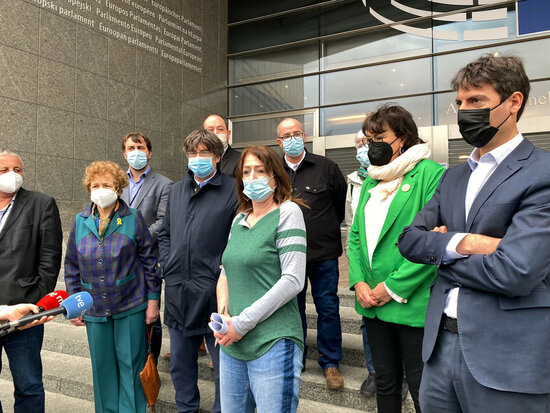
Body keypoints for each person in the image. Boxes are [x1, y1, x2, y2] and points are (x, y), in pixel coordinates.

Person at [398, 54, 550, 412]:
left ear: (513, 102)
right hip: (438, 352)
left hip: (507, 358)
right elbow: (408, 240)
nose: (465, 111)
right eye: (460, 103)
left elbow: (517, 271)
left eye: (477, 101)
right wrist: (467, 242)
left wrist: (442, 254)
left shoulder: (542, 173)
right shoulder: (453, 176)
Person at [348, 104, 444, 413]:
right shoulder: (370, 181)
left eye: (378, 137)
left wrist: (391, 287)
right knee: (385, 381)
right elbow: (355, 237)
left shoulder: (430, 174)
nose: (371, 144)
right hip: (372, 304)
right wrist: (358, 281)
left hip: (409, 301)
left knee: (419, 385)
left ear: (401, 137)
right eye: (368, 138)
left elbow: (432, 238)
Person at [215, 145, 306, 412]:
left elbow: (293, 280)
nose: (252, 177)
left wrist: (242, 323)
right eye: (246, 172)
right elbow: (225, 273)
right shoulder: (239, 220)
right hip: (232, 342)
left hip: (273, 341)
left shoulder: (288, 213)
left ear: (275, 177)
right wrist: (224, 318)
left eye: (260, 171)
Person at [65, 161, 160, 413]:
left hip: (130, 305)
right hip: (94, 309)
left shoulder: (133, 218)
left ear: (118, 188)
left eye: (106, 184)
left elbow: (149, 262)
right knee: (102, 368)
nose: (100, 189)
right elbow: (72, 266)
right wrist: (75, 306)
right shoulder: (81, 220)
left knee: (131, 367)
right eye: (95, 185)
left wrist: (153, 301)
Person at [158, 129, 238, 413]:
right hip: (179, 290)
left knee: (223, 367)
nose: (198, 158)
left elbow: (237, 238)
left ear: (217, 157)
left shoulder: (233, 189)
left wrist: (222, 268)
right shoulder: (177, 190)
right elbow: (165, 232)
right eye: (193, 153)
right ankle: (186, 409)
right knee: (180, 365)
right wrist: (167, 263)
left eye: (204, 153)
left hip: (215, 292)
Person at [277, 117, 347, 389]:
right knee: (293, 309)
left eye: (297, 133)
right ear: (279, 141)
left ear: (304, 136)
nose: (292, 139)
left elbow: (339, 207)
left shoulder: (327, 167)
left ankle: (331, 363)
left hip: (324, 255)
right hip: (288, 255)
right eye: (286, 135)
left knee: (328, 308)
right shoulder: (274, 171)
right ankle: (297, 357)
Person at [0, 150, 63, 413]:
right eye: (4, 170)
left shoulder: (41, 204)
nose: (12, 175)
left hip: (23, 314)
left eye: (17, 169)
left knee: (28, 385)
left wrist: (35, 302)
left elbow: (50, 259)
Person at [120, 131, 173, 362]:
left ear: (149, 153)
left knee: (151, 315)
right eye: (131, 149)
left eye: (140, 148)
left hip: (148, 258)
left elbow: (163, 221)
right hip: (119, 260)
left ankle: (150, 360)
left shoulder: (164, 185)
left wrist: (134, 239)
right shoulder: (116, 183)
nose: (136, 153)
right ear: (124, 154)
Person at [345, 130, 377, 397]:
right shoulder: (354, 181)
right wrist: (355, 276)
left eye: (368, 142)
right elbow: (351, 225)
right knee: (367, 322)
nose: (363, 148)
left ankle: (397, 375)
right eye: (360, 144)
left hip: (393, 265)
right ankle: (374, 372)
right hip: (363, 266)